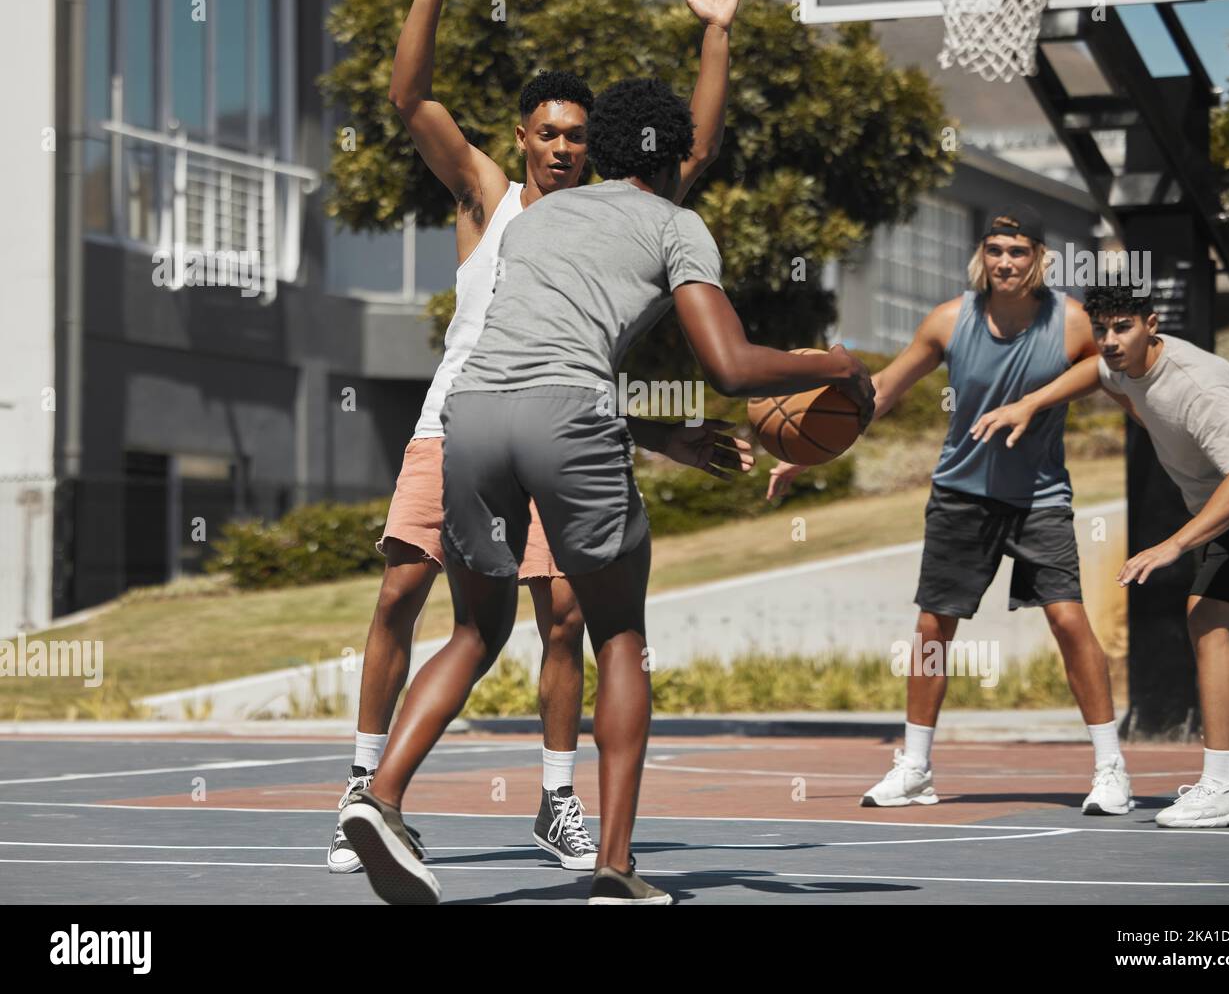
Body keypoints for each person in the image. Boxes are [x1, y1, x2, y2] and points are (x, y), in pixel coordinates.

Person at [340, 76, 875, 905]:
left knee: (477, 630)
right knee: (618, 634)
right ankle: (616, 867)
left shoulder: (539, 215)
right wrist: (835, 366)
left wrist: (651, 433)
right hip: (568, 418)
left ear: (608, 147)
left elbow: (535, 362)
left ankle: (379, 798)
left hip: (470, 417)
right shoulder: (677, 224)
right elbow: (730, 369)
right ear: (678, 159)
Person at [328, 0, 754, 873]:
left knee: (563, 613)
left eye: (576, 134)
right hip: (458, 421)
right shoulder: (490, 195)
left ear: (593, 146)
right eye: (548, 132)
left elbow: (690, 154)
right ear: (522, 137)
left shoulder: (615, 219)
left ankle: (556, 796)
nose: (563, 146)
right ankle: (364, 785)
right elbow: (409, 100)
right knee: (404, 590)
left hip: (546, 426)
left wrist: (716, 37)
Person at [771, 206, 1132, 815]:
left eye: (1018, 252)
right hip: (960, 495)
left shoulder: (1070, 323)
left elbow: (1111, 373)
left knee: (1069, 622)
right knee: (933, 629)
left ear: (1039, 257)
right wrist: (813, 451)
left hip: (1039, 498)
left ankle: (1110, 768)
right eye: (995, 251)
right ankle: (914, 768)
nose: (1006, 263)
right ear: (982, 257)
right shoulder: (949, 320)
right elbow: (881, 391)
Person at [973, 281, 1229, 826]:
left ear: (1153, 325)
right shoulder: (1121, 363)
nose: (1109, 341)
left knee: (1207, 621)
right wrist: (1029, 404)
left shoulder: (1199, 384)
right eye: (1100, 330)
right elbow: (1097, 375)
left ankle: (1222, 789)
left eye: (1122, 327)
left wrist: (1173, 545)